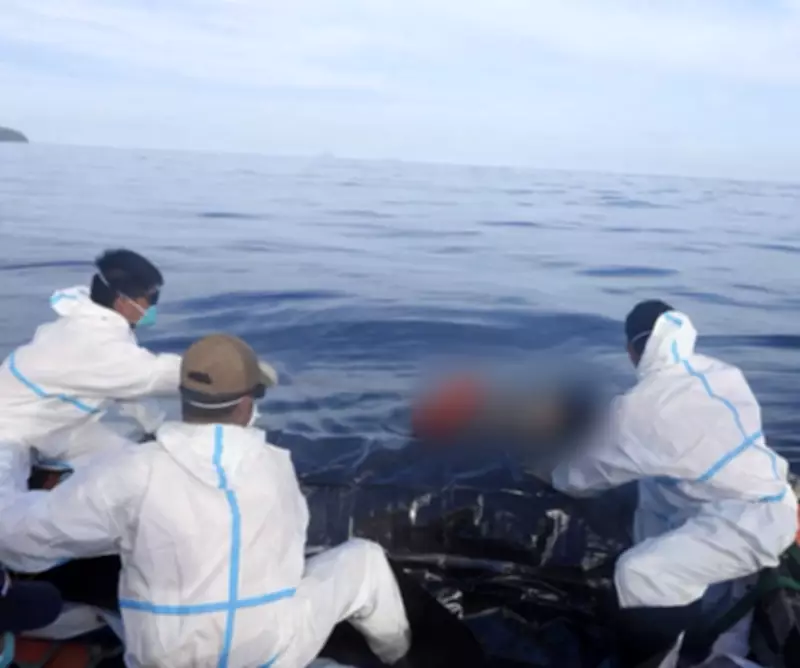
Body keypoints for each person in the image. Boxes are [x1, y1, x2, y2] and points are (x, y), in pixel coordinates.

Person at [0, 334, 411, 667]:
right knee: (365, 560)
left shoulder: (131, 472)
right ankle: (401, 657)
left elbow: (19, 540)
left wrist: (10, 449)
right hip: (270, 655)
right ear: (247, 403)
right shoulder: (276, 466)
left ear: (182, 395)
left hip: (164, 660)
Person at [545, 300, 798, 666]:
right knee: (652, 487)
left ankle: (657, 659)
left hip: (747, 526)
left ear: (631, 350)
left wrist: (552, 475)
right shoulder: (724, 373)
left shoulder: (637, 408)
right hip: (770, 497)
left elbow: (580, 480)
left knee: (639, 573)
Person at [0, 249, 184, 471]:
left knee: (134, 458)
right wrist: (220, 369)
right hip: (9, 429)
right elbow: (158, 375)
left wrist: (155, 429)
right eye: (151, 299)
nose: (153, 307)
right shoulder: (94, 343)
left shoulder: (94, 323)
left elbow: (127, 388)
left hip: (54, 424)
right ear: (122, 301)